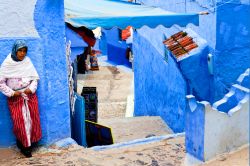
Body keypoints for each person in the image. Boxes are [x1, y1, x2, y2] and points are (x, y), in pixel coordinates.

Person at [0, 40, 42, 158]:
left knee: (32, 120)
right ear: (15, 50)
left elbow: (34, 78)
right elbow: (1, 83)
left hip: (29, 96)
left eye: (24, 51)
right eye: (20, 50)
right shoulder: (7, 64)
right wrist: (12, 93)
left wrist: (31, 89)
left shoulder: (27, 62)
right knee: (20, 122)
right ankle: (24, 146)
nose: (22, 53)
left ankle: (29, 143)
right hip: (15, 98)